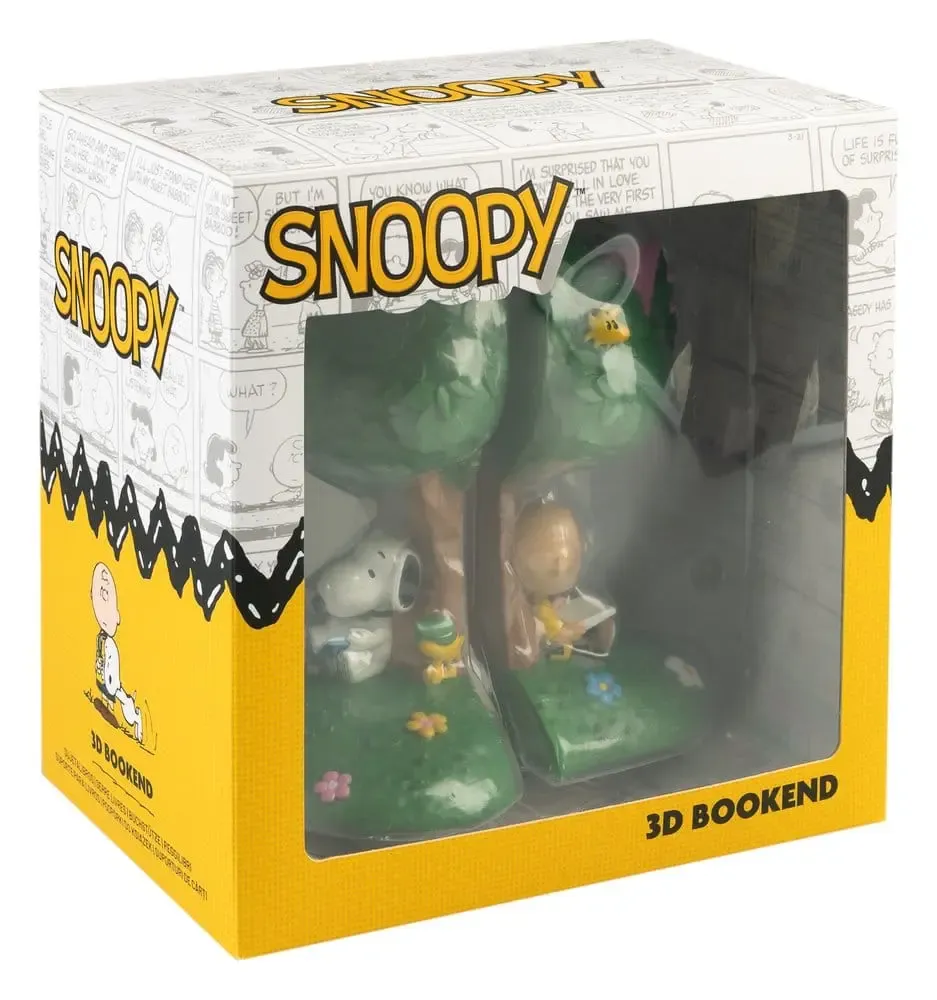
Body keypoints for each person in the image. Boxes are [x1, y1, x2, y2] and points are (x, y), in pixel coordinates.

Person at [91, 563, 144, 743]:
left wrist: (111, 682)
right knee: (109, 698)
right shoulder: (102, 638)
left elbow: (112, 664)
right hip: (105, 680)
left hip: (111, 681)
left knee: (121, 701)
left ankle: (136, 720)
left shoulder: (110, 644)